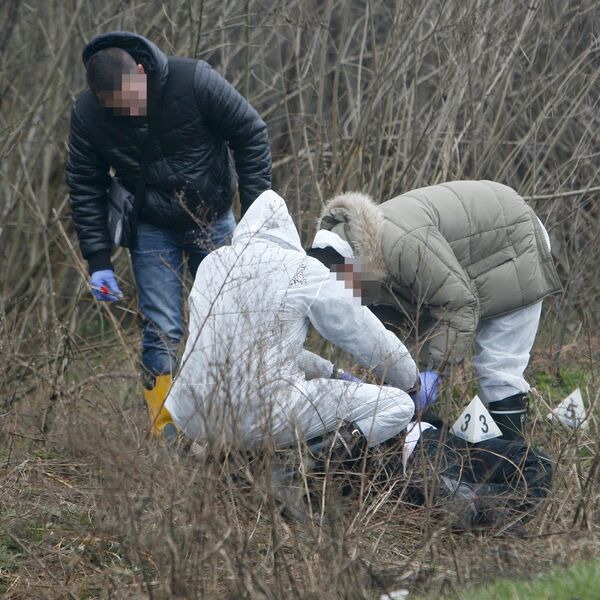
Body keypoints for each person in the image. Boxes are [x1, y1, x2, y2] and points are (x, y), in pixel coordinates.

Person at [166, 189, 553, 528]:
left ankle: (231, 468)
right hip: (267, 411)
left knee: (499, 371)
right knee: (400, 405)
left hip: (190, 412)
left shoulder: (213, 265)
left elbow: (266, 353)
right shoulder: (300, 270)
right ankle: (297, 469)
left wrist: (337, 372)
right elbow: (363, 335)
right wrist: (413, 381)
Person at [66, 31, 272, 438]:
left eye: (133, 98)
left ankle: (241, 426)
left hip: (212, 218)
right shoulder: (88, 115)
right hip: (151, 228)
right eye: (118, 107)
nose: (130, 110)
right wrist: (98, 260)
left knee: (234, 320)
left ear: (141, 72)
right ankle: (166, 435)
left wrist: (256, 218)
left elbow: (251, 133)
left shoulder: (193, 80)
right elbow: (84, 184)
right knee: (161, 331)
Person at [309, 181, 562, 440]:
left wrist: (436, 372)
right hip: (469, 255)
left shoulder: (398, 247)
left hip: (512, 237)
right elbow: (399, 326)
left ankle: (514, 458)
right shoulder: (347, 260)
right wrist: (400, 380)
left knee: (499, 368)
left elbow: (458, 304)